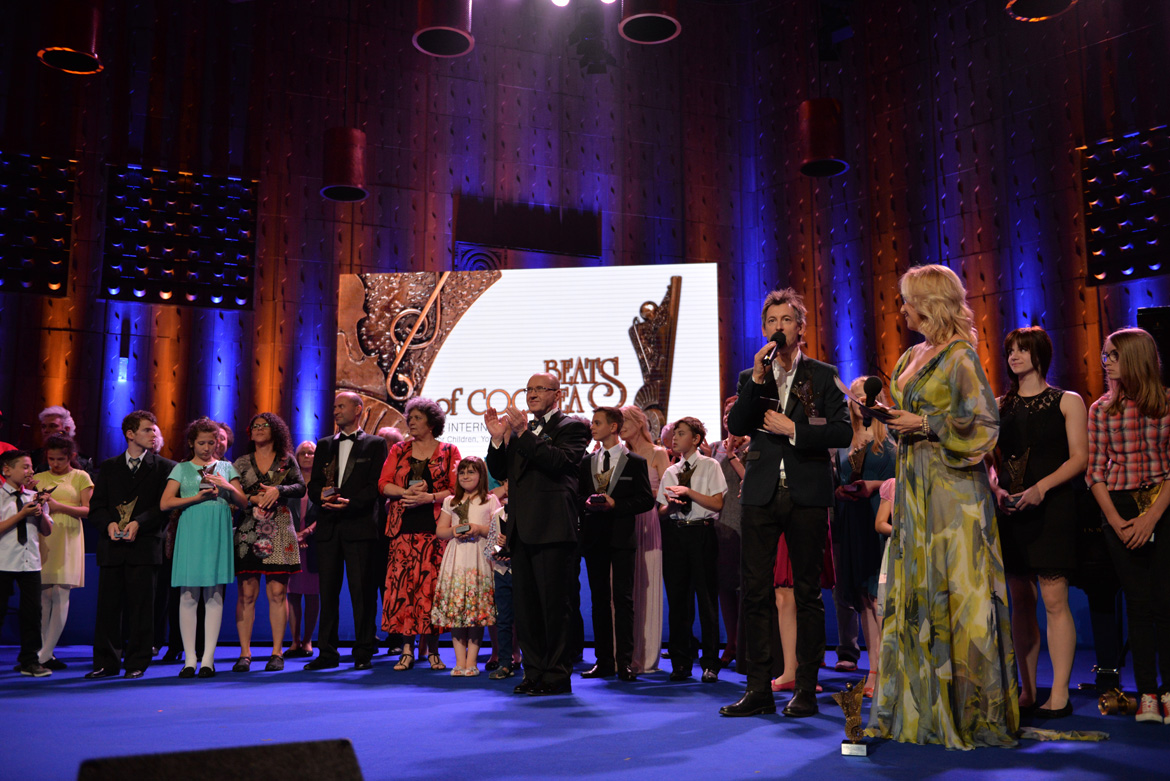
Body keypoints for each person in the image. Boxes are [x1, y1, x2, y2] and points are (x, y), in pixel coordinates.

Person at [866, 264, 1017, 748]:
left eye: (907, 300)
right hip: (914, 485)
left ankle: (967, 711)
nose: (901, 308)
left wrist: (926, 424)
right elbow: (908, 416)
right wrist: (889, 417)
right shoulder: (912, 354)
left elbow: (984, 427)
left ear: (930, 304)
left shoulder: (960, 356)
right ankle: (920, 705)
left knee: (957, 590)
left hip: (954, 494)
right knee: (918, 589)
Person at [721, 288, 851, 719]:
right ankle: (758, 688)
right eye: (772, 321)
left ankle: (805, 689)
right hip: (760, 494)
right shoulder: (751, 376)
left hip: (807, 493)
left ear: (800, 328)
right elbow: (738, 424)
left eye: (787, 320)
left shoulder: (823, 374)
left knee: (808, 594)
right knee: (755, 592)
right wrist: (758, 381)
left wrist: (794, 430)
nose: (779, 327)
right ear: (764, 329)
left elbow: (842, 431)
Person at [990, 326, 1087, 719]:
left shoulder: (1068, 401)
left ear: (1040, 354)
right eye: (1010, 350)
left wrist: (1041, 488)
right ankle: (1027, 690)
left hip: (1053, 508)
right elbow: (987, 459)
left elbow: (1080, 458)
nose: (1014, 356)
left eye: (1022, 349)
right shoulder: (999, 405)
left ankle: (1059, 694)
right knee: (1020, 602)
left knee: (1054, 599)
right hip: (1011, 511)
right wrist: (997, 489)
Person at [484, 372, 590, 696]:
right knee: (526, 609)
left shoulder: (572, 427)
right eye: (528, 389)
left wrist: (522, 434)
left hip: (553, 529)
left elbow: (558, 461)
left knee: (554, 608)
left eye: (539, 389)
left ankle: (556, 676)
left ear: (557, 394)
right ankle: (533, 673)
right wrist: (498, 440)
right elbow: (500, 471)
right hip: (522, 531)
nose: (531, 394)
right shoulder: (521, 431)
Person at [1087, 327, 1170, 724]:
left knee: (1165, 601)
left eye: (1113, 356)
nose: (1106, 362)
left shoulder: (1167, 403)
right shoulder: (1100, 409)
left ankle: (1168, 690)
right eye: (1105, 355)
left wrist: (1151, 517)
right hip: (1118, 507)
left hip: (1162, 505)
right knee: (1137, 603)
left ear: (1135, 358)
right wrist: (1117, 521)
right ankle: (1148, 693)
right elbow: (1094, 473)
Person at [87, 411, 175, 679]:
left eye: (155, 430)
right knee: (108, 608)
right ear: (130, 434)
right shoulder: (109, 466)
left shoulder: (165, 467)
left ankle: (137, 661)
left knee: (142, 608)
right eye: (148, 430)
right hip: (112, 546)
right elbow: (97, 506)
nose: (154, 434)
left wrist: (139, 523)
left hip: (145, 546)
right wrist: (108, 525)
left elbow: (164, 508)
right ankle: (106, 662)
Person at [305, 392, 389, 671]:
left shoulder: (375, 444)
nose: (336, 410)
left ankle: (363, 651)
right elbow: (314, 484)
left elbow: (376, 485)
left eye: (341, 406)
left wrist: (351, 503)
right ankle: (327, 652)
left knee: (362, 593)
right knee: (327, 593)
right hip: (328, 528)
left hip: (359, 526)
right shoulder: (324, 444)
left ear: (358, 409)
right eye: (334, 406)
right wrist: (321, 496)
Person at [161, 417, 247, 678]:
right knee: (188, 595)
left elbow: (243, 502)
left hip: (217, 531)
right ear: (192, 443)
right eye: (202, 443)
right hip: (191, 530)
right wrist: (195, 497)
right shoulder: (182, 468)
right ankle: (190, 659)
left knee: (214, 595)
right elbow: (165, 503)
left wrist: (227, 486)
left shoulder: (227, 467)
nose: (208, 447)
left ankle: (208, 659)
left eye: (212, 442)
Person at [379, 397, 459, 672]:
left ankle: (434, 651)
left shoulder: (449, 451)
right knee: (404, 590)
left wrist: (430, 497)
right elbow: (383, 484)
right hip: (403, 530)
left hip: (435, 531)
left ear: (432, 423)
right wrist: (406, 492)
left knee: (431, 591)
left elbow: (456, 489)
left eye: (417, 418)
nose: (410, 422)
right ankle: (406, 650)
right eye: (409, 418)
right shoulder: (399, 450)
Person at [579, 406, 655, 681]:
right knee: (599, 600)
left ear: (613, 427)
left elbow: (646, 500)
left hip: (622, 537)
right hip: (594, 537)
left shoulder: (634, 461)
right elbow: (578, 497)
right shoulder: (586, 462)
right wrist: (588, 503)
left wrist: (616, 504)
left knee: (623, 600)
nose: (592, 427)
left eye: (597, 423)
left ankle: (625, 662)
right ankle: (604, 662)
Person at [831, 377, 896, 695]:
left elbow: (905, 478)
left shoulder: (892, 435)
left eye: (865, 396)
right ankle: (874, 670)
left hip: (881, 519)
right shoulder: (845, 439)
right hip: (853, 521)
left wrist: (875, 486)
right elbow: (837, 479)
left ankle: (890, 671)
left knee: (879, 598)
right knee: (865, 600)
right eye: (854, 397)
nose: (860, 402)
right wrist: (840, 491)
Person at [232, 413, 306, 672]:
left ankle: (277, 652)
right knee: (247, 594)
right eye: (255, 426)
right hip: (248, 529)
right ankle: (245, 653)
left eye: (264, 425)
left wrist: (279, 490)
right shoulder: (241, 462)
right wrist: (251, 499)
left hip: (279, 528)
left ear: (275, 430)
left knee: (277, 593)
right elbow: (234, 494)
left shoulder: (287, 460)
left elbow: (301, 487)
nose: (259, 429)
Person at [658, 416, 727, 682]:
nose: (674, 438)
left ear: (696, 439)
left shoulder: (710, 465)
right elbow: (661, 511)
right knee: (678, 601)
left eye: (681, 433)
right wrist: (671, 507)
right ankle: (681, 662)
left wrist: (688, 493)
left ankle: (710, 663)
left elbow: (717, 503)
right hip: (676, 534)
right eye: (674, 434)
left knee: (706, 600)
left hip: (702, 532)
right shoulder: (671, 471)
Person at [431, 456, 501, 676]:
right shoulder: (450, 501)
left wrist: (478, 529)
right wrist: (454, 531)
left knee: (475, 612)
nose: (466, 476)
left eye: (471, 472)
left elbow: (497, 530)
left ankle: (472, 662)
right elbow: (440, 531)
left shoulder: (490, 501)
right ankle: (459, 662)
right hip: (457, 559)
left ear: (481, 475)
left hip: (479, 558)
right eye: (462, 472)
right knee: (457, 613)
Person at [32, 435, 93, 670]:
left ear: (71, 457)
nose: (55, 463)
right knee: (43, 596)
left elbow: (88, 510)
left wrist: (58, 506)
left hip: (68, 536)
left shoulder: (81, 477)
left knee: (60, 593)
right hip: (44, 537)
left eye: (60, 459)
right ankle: (42, 651)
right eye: (51, 459)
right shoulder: (39, 478)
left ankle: (46, 653)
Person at [619, 404, 670, 674]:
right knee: (623, 590)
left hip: (648, 522)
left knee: (647, 589)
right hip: (622, 523)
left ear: (639, 422)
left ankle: (646, 657)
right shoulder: (619, 454)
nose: (620, 427)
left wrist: (657, 508)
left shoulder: (658, 453)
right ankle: (623, 655)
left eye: (624, 421)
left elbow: (667, 494)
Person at [0, 450, 53, 676]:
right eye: (25, 466)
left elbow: (47, 531)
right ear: (7, 470)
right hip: (3, 562)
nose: (30, 471)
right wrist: (21, 515)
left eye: (31, 466)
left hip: (31, 562)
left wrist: (40, 514)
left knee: (32, 613)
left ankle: (29, 661)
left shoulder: (34, 496)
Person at [710, 397, 747, 669]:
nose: (727, 417)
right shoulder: (714, 448)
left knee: (743, 586)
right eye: (725, 413)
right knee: (724, 585)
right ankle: (730, 642)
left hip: (746, 523)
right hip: (721, 525)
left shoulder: (754, 446)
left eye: (732, 412)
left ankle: (744, 643)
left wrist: (734, 453)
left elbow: (751, 479)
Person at [286, 441, 321, 659]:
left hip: (315, 544)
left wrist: (306, 533)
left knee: (312, 594)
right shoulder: (289, 482)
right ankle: (295, 641)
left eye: (311, 453)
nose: (307, 456)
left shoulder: (324, 483)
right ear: (296, 457)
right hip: (290, 543)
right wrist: (295, 535)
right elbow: (281, 510)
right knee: (293, 593)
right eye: (303, 453)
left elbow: (327, 512)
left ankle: (308, 640)